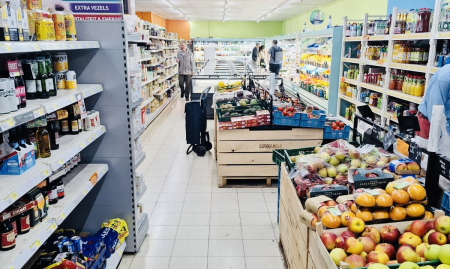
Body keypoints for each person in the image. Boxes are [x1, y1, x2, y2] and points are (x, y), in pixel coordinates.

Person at [417, 64, 450, 139]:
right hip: (430, 123)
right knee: (426, 150)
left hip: (445, 124)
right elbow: (435, 112)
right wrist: (446, 137)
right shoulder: (444, 79)